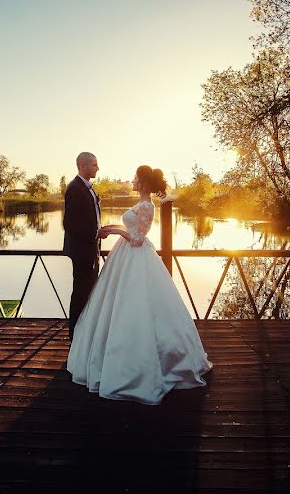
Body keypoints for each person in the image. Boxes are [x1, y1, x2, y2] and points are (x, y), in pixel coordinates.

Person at [67, 165, 213, 405]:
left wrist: (114, 229)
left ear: (143, 183)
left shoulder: (147, 206)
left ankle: (146, 364)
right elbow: (133, 232)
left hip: (135, 256)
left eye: (136, 178)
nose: (132, 181)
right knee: (116, 305)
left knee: (138, 304)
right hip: (124, 257)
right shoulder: (142, 204)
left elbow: (137, 239)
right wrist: (117, 229)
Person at [63, 152, 101, 339]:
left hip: (90, 249)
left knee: (88, 291)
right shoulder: (75, 188)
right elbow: (69, 224)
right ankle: (75, 337)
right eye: (94, 165)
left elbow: (88, 217)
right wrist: (96, 233)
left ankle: (84, 334)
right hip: (81, 252)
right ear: (83, 166)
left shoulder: (87, 188)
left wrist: (100, 229)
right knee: (80, 293)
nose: (97, 168)